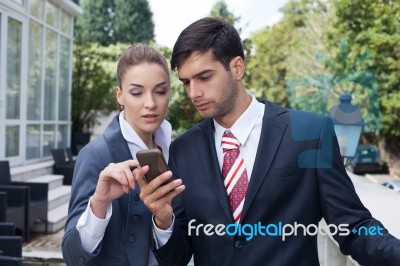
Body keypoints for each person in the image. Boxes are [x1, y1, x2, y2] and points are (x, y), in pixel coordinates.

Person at [134, 17, 400, 266]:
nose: (194, 93)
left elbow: (353, 226)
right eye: (186, 83)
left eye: (204, 77)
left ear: (237, 68)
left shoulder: (311, 133)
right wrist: (163, 218)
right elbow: (177, 257)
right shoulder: (183, 150)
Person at [62, 43, 184, 265]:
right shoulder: (96, 155)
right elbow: (72, 257)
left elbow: (181, 253)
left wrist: (164, 220)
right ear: (119, 95)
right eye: (136, 92)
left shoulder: (176, 152)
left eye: (160, 91)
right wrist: (100, 203)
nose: (150, 104)